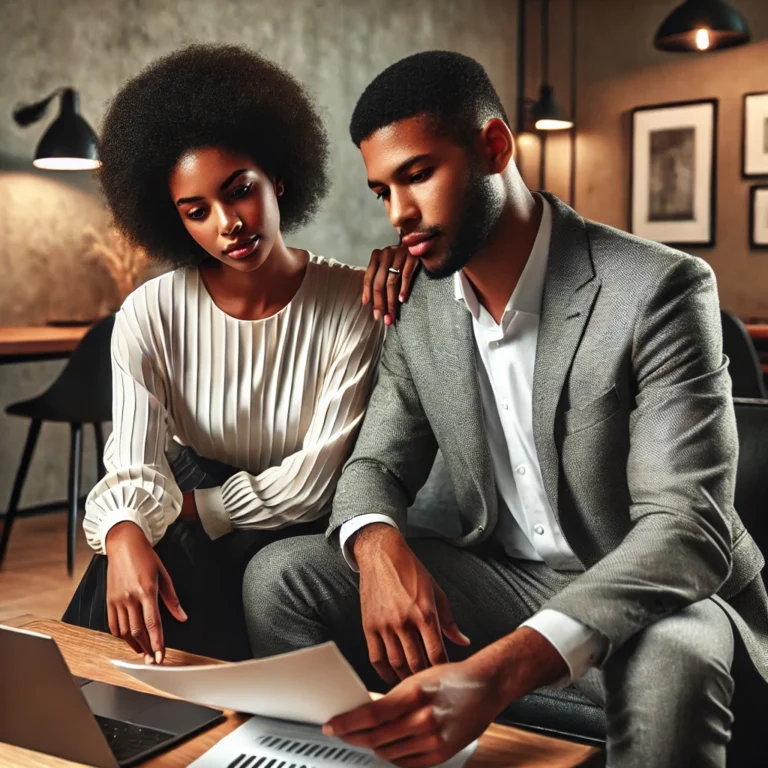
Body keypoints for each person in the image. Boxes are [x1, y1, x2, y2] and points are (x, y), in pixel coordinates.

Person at [242, 51, 768, 767]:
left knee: (673, 662)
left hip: (659, 589)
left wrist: (492, 674)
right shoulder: (418, 307)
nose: (399, 214)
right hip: (507, 576)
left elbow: (686, 529)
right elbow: (375, 462)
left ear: (494, 148)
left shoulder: (659, 289)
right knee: (282, 577)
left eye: (419, 174)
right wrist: (376, 544)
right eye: (381, 191)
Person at [63, 44, 419, 663]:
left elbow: (316, 483)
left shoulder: (350, 302)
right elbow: (134, 459)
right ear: (175, 221)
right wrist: (122, 537)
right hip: (187, 500)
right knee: (134, 560)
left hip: (297, 520)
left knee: (174, 550)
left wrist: (192, 511)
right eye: (197, 211)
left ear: (277, 177)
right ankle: (90, 719)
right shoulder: (150, 312)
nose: (227, 223)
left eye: (240, 191)